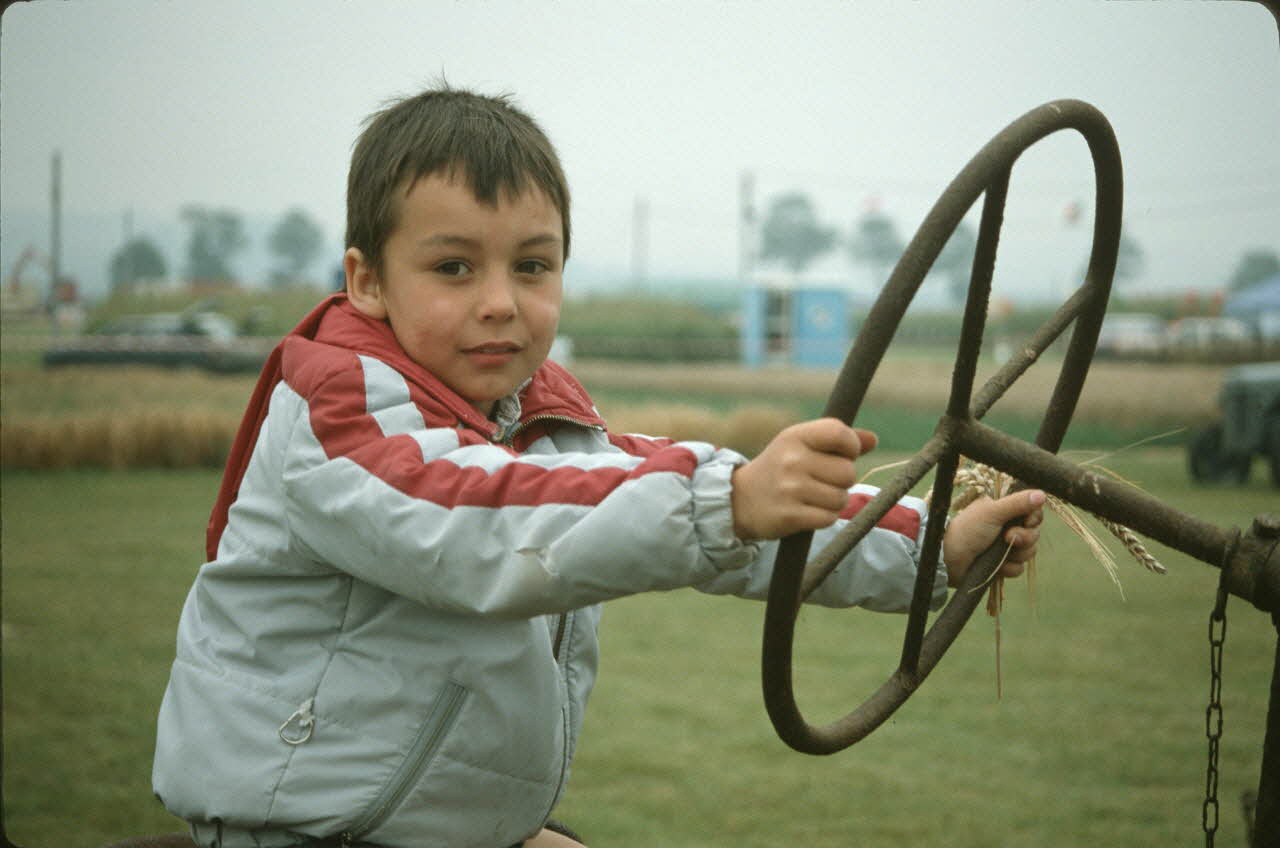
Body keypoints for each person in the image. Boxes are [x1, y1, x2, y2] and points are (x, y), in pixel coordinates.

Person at [152, 86, 1044, 848]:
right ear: (367, 281)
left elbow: (714, 513)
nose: (501, 302)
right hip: (297, 823)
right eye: (454, 267)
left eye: (532, 266)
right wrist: (726, 500)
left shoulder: (541, 422)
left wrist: (936, 546)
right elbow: (477, 519)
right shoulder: (338, 409)